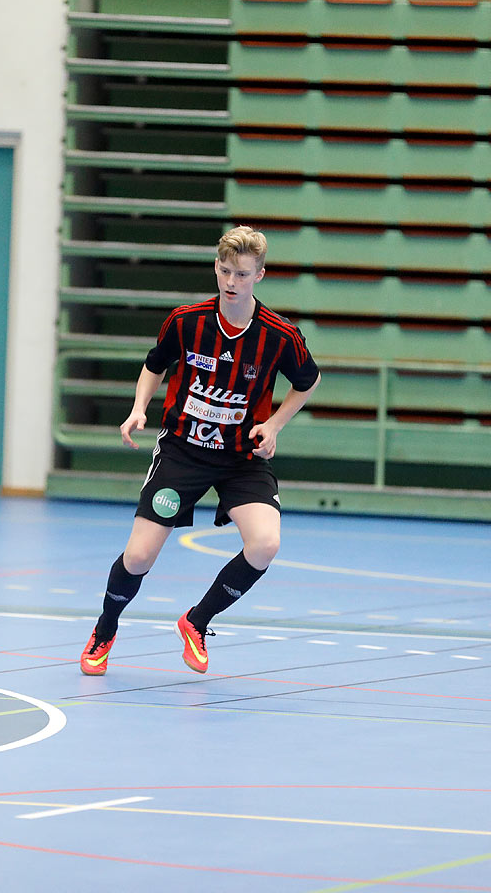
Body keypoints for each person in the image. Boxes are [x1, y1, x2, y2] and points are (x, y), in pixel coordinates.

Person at [78, 225, 321, 676]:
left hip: (241, 458)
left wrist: (273, 424)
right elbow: (155, 366)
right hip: (182, 452)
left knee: (265, 544)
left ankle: (197, 621)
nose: (231, 282)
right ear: (216, 267)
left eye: (242, 274)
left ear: (260, 275)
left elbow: (308, 382)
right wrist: (138, 409)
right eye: (225, 271)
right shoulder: (186, 321)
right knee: (138, 557)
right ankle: (105, 629)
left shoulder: (279, 335)